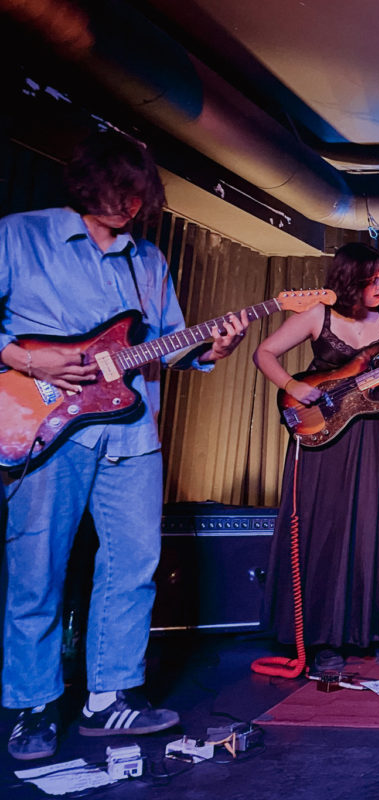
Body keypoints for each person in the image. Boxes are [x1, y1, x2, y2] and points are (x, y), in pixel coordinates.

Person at [0, 130, 249, 760]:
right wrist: (26, 358)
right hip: (44, 429)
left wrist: (213, 348)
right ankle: (32, 706)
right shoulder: (20, 235)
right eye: (121, 190)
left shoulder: (149, 262)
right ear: (89, 183)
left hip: (131, 435)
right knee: (37, 570)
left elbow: (167, 343)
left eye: (140, 194)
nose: (131, 205)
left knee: (134, 565)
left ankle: (109, 698)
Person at [254, 242, 379, 671]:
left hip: (372, 434)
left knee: (373, 528)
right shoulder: (318, 315)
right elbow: (263, 353)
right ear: (350, 281)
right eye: (372, 279)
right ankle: (323, 638)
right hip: (322, 434)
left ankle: (375, 631)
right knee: (324, 529)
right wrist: (292, 386)